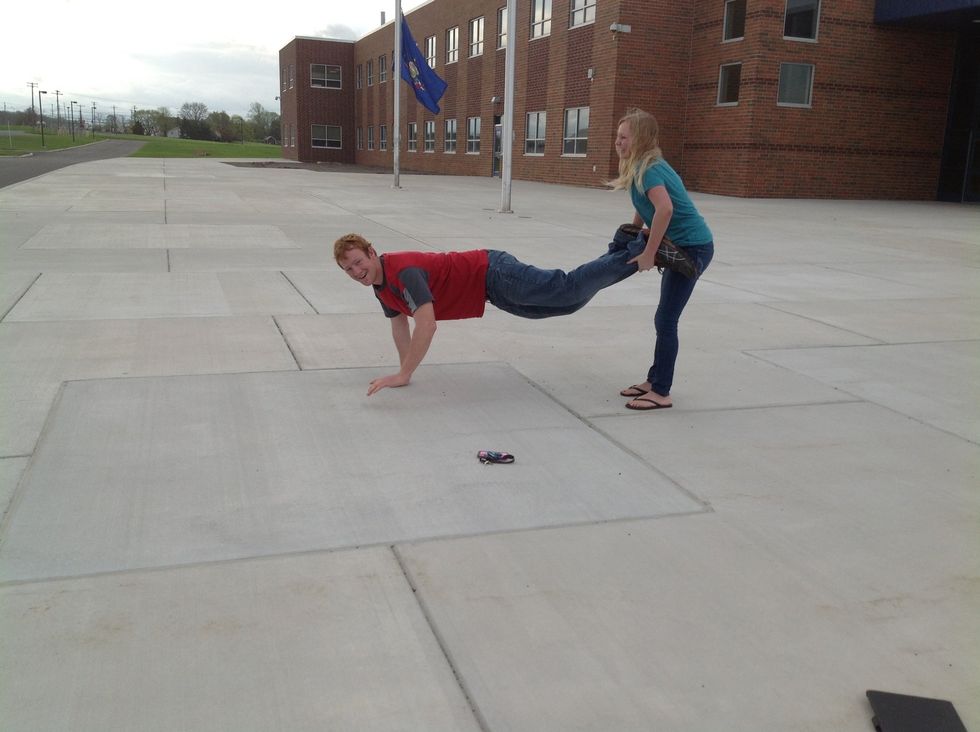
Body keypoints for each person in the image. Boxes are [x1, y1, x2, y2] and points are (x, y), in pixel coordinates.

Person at [334, 233, 640, 395]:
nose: (357, 271)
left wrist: (404, 374)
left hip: (492, 272)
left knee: (566, 290)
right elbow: (399, 324)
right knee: (568, 303)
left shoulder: (404, 272)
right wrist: (403, 370)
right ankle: (624, 248)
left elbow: (425, 326)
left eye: (359, 262)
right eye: (349, 269)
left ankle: (638, 252)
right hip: (491, 290)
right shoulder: (380, 284)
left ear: (372, 252)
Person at [609, 108, 714, 411]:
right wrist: (635, 234)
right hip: (681, 245)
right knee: (663, 317)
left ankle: (662, 392)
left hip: (691, 248)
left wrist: (649, 252)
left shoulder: (650, 168)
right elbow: (647, 208)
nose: (618, 142)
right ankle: (654, 381)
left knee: (666, 319)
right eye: (617, 137)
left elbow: (665, 210)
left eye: (624, 137)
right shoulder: (641, 166)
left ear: (639, 139)